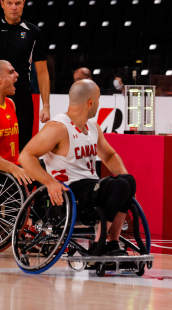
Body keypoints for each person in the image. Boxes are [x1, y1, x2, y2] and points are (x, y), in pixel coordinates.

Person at [18, 80, 136, 256]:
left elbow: (110, 156)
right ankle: (98, 245)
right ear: (90, 102)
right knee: (121, 185)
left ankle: (112, 243)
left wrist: (124, 182)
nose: (98, 104)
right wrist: (49, 182)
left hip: (92, 190)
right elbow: (26, 156)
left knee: (127, 181)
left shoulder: (93, 127)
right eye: (98, 99)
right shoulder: (58, 127)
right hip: (70, 194)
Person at [0, 0, 51, 151]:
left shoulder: (33, 32)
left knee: (23, 147)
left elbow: (42, 72)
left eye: (17, 3)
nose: (13, 7)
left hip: (21, 95)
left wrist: (46, 105)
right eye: (9, 3)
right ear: (2, 4)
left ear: (23, 4)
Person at [0, 60, 32, 185]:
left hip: (14, 169)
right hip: (5, 172)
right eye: (11, 72)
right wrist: (14, 169)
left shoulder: (10, 104)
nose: (17, 75)